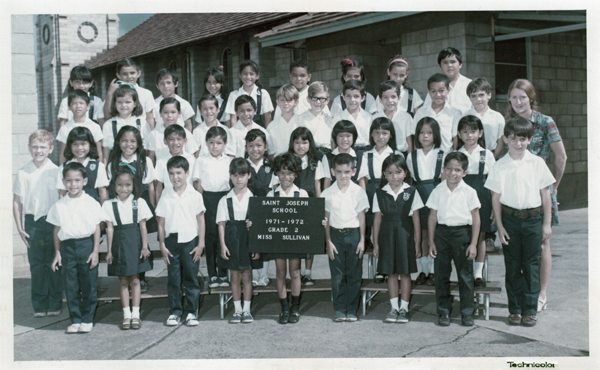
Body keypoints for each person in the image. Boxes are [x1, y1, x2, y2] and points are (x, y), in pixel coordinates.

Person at [485, 116, 555, 327]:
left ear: (530, 140)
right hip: (510, 220)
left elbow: (545, 194)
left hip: (533, 220)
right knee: (513, 266)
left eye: (522, 139)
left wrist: (546, 224)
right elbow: (495, 198)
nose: (518, 143)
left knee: (532, 266)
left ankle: (530, 310)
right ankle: (515, 309)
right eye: (513, 139)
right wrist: (499, 226)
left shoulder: (536, 163)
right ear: (506, 139)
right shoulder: (499, 166)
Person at [506, 79, 567, 314]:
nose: (518, 102)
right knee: (518, 247)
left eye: (523, 97)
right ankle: (522, 296)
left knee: (542, 243)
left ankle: (541, 294)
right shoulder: (509, 123)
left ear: (531, 98)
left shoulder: (545, 122)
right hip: (514, 193)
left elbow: (561, 158)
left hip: (539, 191)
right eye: (514, 97)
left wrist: (554, 186)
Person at [49, 162, 104, 334]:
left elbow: (97, 228)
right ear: (64, 182)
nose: (73, 185)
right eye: (69, 181)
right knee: (71, 285)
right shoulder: (59, 205)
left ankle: (87, 319)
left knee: (88, 284)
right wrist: (58, 252)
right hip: (68, 248)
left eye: (77, 180)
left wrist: (95, 251)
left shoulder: (91, 202)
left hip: (86, 245)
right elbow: (57, 230)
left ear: (85, 181)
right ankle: (75, 319)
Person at [13, 130, 63, 317]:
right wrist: (19, 227)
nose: (38, 150)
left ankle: (55, 301)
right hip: (32, 222)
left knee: (54, 262)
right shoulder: (23, 172)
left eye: (43, 147)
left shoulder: (56, 170)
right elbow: (16, 202)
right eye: (35, 146)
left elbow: (61, 197)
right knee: (37, 263)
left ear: (50, 149)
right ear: (28, 148)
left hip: (52, 221)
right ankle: (40, 304)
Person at [427, 152, 481, 327]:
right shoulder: (438, 190)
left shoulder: (469, 191)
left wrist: (473, 244)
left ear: (464, 172)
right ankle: (443, 311)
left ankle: (467, 312)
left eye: (457, 169)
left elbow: (476, 218)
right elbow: (432, 216)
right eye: (449, 169)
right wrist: (431, 241)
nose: (452, 173)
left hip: (462, 234)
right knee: (441, 274)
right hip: (442, 234)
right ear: (443, 170)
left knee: (465, 275)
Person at [156, 156, 206, 327]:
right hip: (171, 241)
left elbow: (201, 220)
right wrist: (162, 244)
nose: (175, 177)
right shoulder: (165, 193)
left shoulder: (195, 195)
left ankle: (192, 312)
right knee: (174, 278)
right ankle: (175, 312)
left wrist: (201, 244)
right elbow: (161, 222)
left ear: (187, 173)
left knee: (191, 277)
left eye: (179, 173)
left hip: (190, 241)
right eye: (171, 173)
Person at [373, 154, 423, 323]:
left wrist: (417, 242)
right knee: (391, 273)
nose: (394, 177)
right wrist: (376, 243)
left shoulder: (412, 191)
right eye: (389, 173)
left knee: (405, 273)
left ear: (405, 172)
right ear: (384, 175)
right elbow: (377, 219)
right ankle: (394, 308)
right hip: (386, 234)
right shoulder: (380, 193)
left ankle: (404, 308)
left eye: (398, 172)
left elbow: (416, 218)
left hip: (405, 234)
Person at [103, 165, 153, 330]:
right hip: (119, 245)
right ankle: (126, 315)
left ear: (134, 185)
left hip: (135, 244)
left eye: (127, 185)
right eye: (119, 185)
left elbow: (143, 227)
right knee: (123, 280)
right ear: (114, 185)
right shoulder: (109, 205)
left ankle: (136, 314)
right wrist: (109, 250)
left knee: (136, 279)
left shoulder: (139, 203)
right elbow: (110, 229)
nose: (123, 189)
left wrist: (145, 247)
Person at [322, 153, 370, 322]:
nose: (343, 176)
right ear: (333, 172)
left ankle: (352, 309)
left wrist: (362, 240)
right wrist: (328, 241)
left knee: (354, 273)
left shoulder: (358, 192)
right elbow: (326, 220)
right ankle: (340, 308)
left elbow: (362, 217)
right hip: (335, 235)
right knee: (337, 274)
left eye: (347, 172)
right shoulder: (327, 193)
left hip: (354, 234)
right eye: (339, 171)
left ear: (354, 172)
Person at [264, 153, 310, 324]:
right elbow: (266, 219)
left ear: (296, 174)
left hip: (295, 240)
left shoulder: (302, 194)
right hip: (278, 240)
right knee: (281, 272)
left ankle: (295, 308)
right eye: (282, 173)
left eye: (290, 173)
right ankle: (284, 309)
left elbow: (307, 219)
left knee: (295, 272)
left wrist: (319, 221)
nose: (286, 177)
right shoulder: (272, 195)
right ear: (277, 173)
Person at [217, 158, 263, 323]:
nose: (239, 179)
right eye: (235, 175)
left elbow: (258, 225)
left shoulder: (254, 199)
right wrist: (223, 245)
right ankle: (237, 310)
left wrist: (256, 245)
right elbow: (221, 224)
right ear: (230, 176)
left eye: (242, 175)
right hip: (232, 241)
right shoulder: (225, 200)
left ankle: (247, 310)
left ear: (249, 176)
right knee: (235, 276)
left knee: (247, 276)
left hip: (248, 241)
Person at [358, 117, 402, 279]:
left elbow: (401, 177)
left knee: (388, 230)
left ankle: (387, 267)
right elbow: (363, 178)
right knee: (375, 230)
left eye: (384, 133)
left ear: (390, 135)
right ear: (371, 135)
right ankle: (379, 267)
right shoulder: (367, 155)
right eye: (377, 133)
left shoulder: (396, 154)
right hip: (372, 191)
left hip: (390, 192)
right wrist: (364, 196)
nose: (380, 136)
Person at [406, 117, 447, 286]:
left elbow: (445, 180)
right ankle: (424, 270)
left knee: (435, 235)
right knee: (422, 234)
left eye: (429, 133)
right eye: (422, 133)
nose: (425, 136)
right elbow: (409, 180)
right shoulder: (411, 156)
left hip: (436, 193)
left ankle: (436, 271)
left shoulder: (442, 155)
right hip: (419, 194)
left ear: (435, 135)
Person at [456, 115, 496, 286]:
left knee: (480, 235)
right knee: (462, 234)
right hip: (460, 196)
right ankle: (463, 273)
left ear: (480, 133)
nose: (469, 135)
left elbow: (494, 183)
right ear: (459, 134)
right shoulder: (455, 154)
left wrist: (495, 206)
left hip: (482, 195)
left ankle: (477, 274)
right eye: (465, 132)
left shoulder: (487, 154)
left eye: (473, 131)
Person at [192, 126, 232, 289]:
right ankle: (212, 274)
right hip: (207, 198)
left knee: (223, 236)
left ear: (225, 144)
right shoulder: (201, 160)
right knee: (210, 237)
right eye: (211, 143)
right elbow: (198, 183)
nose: (215, 146)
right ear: (206, 144)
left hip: (224, 198)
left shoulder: (229, 161)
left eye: (218, 143)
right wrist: (201, 204)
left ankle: (223, 273)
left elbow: (232, 183)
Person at [287, 127, 327, 285]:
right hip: (293, 205)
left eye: (304, 142)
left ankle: (308, 273)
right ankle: (295, 273)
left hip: (310, 203)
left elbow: (318, 187)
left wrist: (319, 209)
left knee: (309, 240)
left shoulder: (315, 162)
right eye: (297, 143)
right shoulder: (287, 160)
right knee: (295, 239)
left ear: (310, 143)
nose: (300, 146)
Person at [245, 129, 273, 286]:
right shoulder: (243, 165)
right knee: (251, 240)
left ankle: (264, 274)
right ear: (246, 147)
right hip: (248, 208)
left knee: (265, 241)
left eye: (258, 145)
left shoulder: (271, 165)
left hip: (265, 207)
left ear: (266, 147)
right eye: (251, 145)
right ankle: (254, 273)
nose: (255, 149)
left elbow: (274, 186)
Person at [57, 127, 109, 205]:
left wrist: (104, 214)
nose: (79, 148)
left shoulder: (98, 166)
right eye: (75, 144)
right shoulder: (64, 167)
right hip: (70, 210)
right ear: (70, 146)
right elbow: (62, 193)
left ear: (90, 144)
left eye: (83, 144)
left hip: (92, 210)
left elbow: (102, 193)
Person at [102, 84, 152, 164]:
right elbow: (106, 151)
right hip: (116, 165)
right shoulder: (108, 125)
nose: (123, 105)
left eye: (128, 102)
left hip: (138, 164)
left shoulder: (142, 123)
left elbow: (149, 148)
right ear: (115, 103)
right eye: (119, 102)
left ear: (135, 104)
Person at [412, 73, 462, 153]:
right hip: (425, 157)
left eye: (441, 90)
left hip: (446, 156)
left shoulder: (454, 113)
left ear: (448, 90)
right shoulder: (421, 112)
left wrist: (454, 156)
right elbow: (416, 136)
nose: (437, 95)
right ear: (428, 91)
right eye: (433, 91)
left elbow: (456, 138)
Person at [103, 58, 155, 130]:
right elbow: (107, 116)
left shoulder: (146, 93)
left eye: (132, 73)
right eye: (124, 74)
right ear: (118, 75)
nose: (129, 77)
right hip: (119, 130)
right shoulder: (115, 92)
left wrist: (151, 136)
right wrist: (109, 93)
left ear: (138, 73)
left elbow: (150, 118)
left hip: (140, 131)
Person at [56, 89, 104, 164]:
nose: (78, 106)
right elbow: (63, 153)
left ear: (88, 106)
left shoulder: (95, 127)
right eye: (74, 103)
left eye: (81, 103)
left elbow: (99, 152)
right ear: (69, 107)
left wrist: (100, 170)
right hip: (71, 168)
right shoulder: (65, 128)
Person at [464, 78, 505, 159]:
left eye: (481, 95)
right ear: (469, 98)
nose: (478, 99)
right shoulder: (465, 116)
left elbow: (501, 142)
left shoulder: (497, 117)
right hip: (470, 156)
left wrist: (492, 158)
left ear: (489, 95)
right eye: (473, 96)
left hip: (491, 155)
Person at [422, 47, 472, 114]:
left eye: (453, 62)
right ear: (440, 66)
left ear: (460, 64)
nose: (449, 65)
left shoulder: (469, 84)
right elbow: (426, 110)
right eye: (445, 63)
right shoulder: (435, 85)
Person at [225, 60, 274, 128]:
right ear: (240, 75)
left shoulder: (263, 94)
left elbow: (268, 117)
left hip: (258, 132)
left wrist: (267, 135)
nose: (248, 77)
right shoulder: (233, 95)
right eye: (245, 73)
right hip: (240, 131)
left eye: (251, 74)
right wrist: (234, 136)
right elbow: (233, 118)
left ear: (257, 76)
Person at [148, 98, 198, 163]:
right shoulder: (154, 134)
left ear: (179, 113)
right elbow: (151, 158)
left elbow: (191, 157)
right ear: (160, 114)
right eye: (165, 112)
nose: (169, 116)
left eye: (173, 112)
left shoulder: (186, 133)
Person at [154, 125, 197, 202]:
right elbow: (158, 187)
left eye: (179, 139)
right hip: (168, 201)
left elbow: (196, 184)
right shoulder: (161, 162)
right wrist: (158, 206)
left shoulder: (192, 160)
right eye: (171, 139)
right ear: (165, 141)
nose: (175, 142)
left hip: (188, 200)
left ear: (185, 141)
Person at [372, 80, 413, 157]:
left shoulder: (406, 117)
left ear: (399, 98)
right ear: (380, 100)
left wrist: (409, 160)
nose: (390, 101)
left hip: (401, 155)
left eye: (393, 97)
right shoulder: (375, 118)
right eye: (385, 97)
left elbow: (409, 142)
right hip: (381, 155)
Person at [324, 120, 367, 189]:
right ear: (335, 137)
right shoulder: (328, 157)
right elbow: (327, 181)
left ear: (354, 137)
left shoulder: (360, 157)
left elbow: (361, 181)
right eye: (340, 136)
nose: (344, 139)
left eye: (348, 136)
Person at [331, 79, 372, 149]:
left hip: (366, 152)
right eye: (348, 96)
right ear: (343, 97)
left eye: (356, 96)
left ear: (362, 98)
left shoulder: (369, 117)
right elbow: (333, 141)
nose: (352, 100)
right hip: (346, 152)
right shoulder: (338, 118)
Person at [295, 81, 334, 151]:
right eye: (314, 98)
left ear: (327, 100)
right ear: (308, 99)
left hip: (327, 155)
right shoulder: (300, 119)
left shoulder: (330, 120)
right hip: (309, 154)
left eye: (322, 98)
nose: (318, 102)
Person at [267, 84, 300, 157]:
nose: (285, 103)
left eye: (289, 100)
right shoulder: (272, 126)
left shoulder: (302, 122)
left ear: (296, 102)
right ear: (277, 102)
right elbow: (271, 153)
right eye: (282, 100)